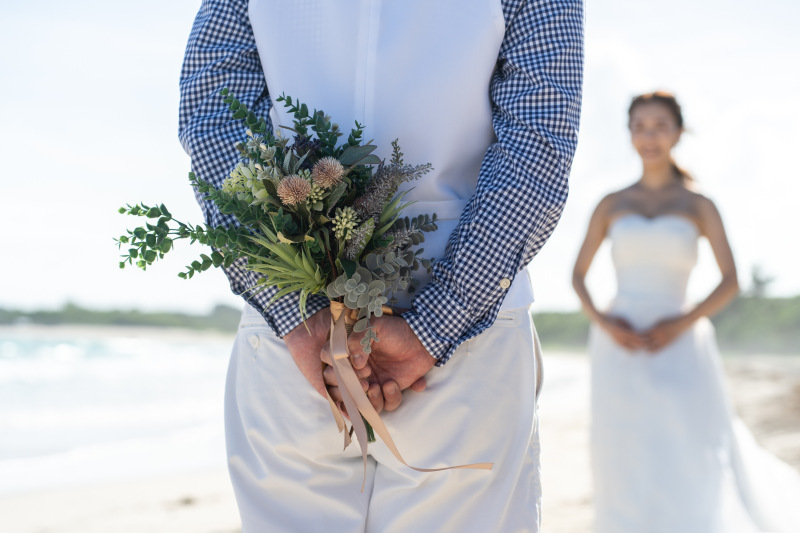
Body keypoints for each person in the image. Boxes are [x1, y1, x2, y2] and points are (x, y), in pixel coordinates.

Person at [178, 1, 584, 531]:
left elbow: (213, 120)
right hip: (463, 347)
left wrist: (294, 312)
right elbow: (537, 145)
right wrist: (436, 324)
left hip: (294, 347)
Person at [572, 91, 800, 533]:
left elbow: (731, 279)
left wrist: (683, 321)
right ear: (629, 134)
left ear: (678, 132)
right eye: (640, 126)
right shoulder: (611, 203)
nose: (649, 136)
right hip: (617, 342)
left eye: (659, 126)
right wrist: (605, 323)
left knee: (690, 444)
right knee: (622, 448)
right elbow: (578, 276)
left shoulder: (699, 204)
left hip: (682, 337)